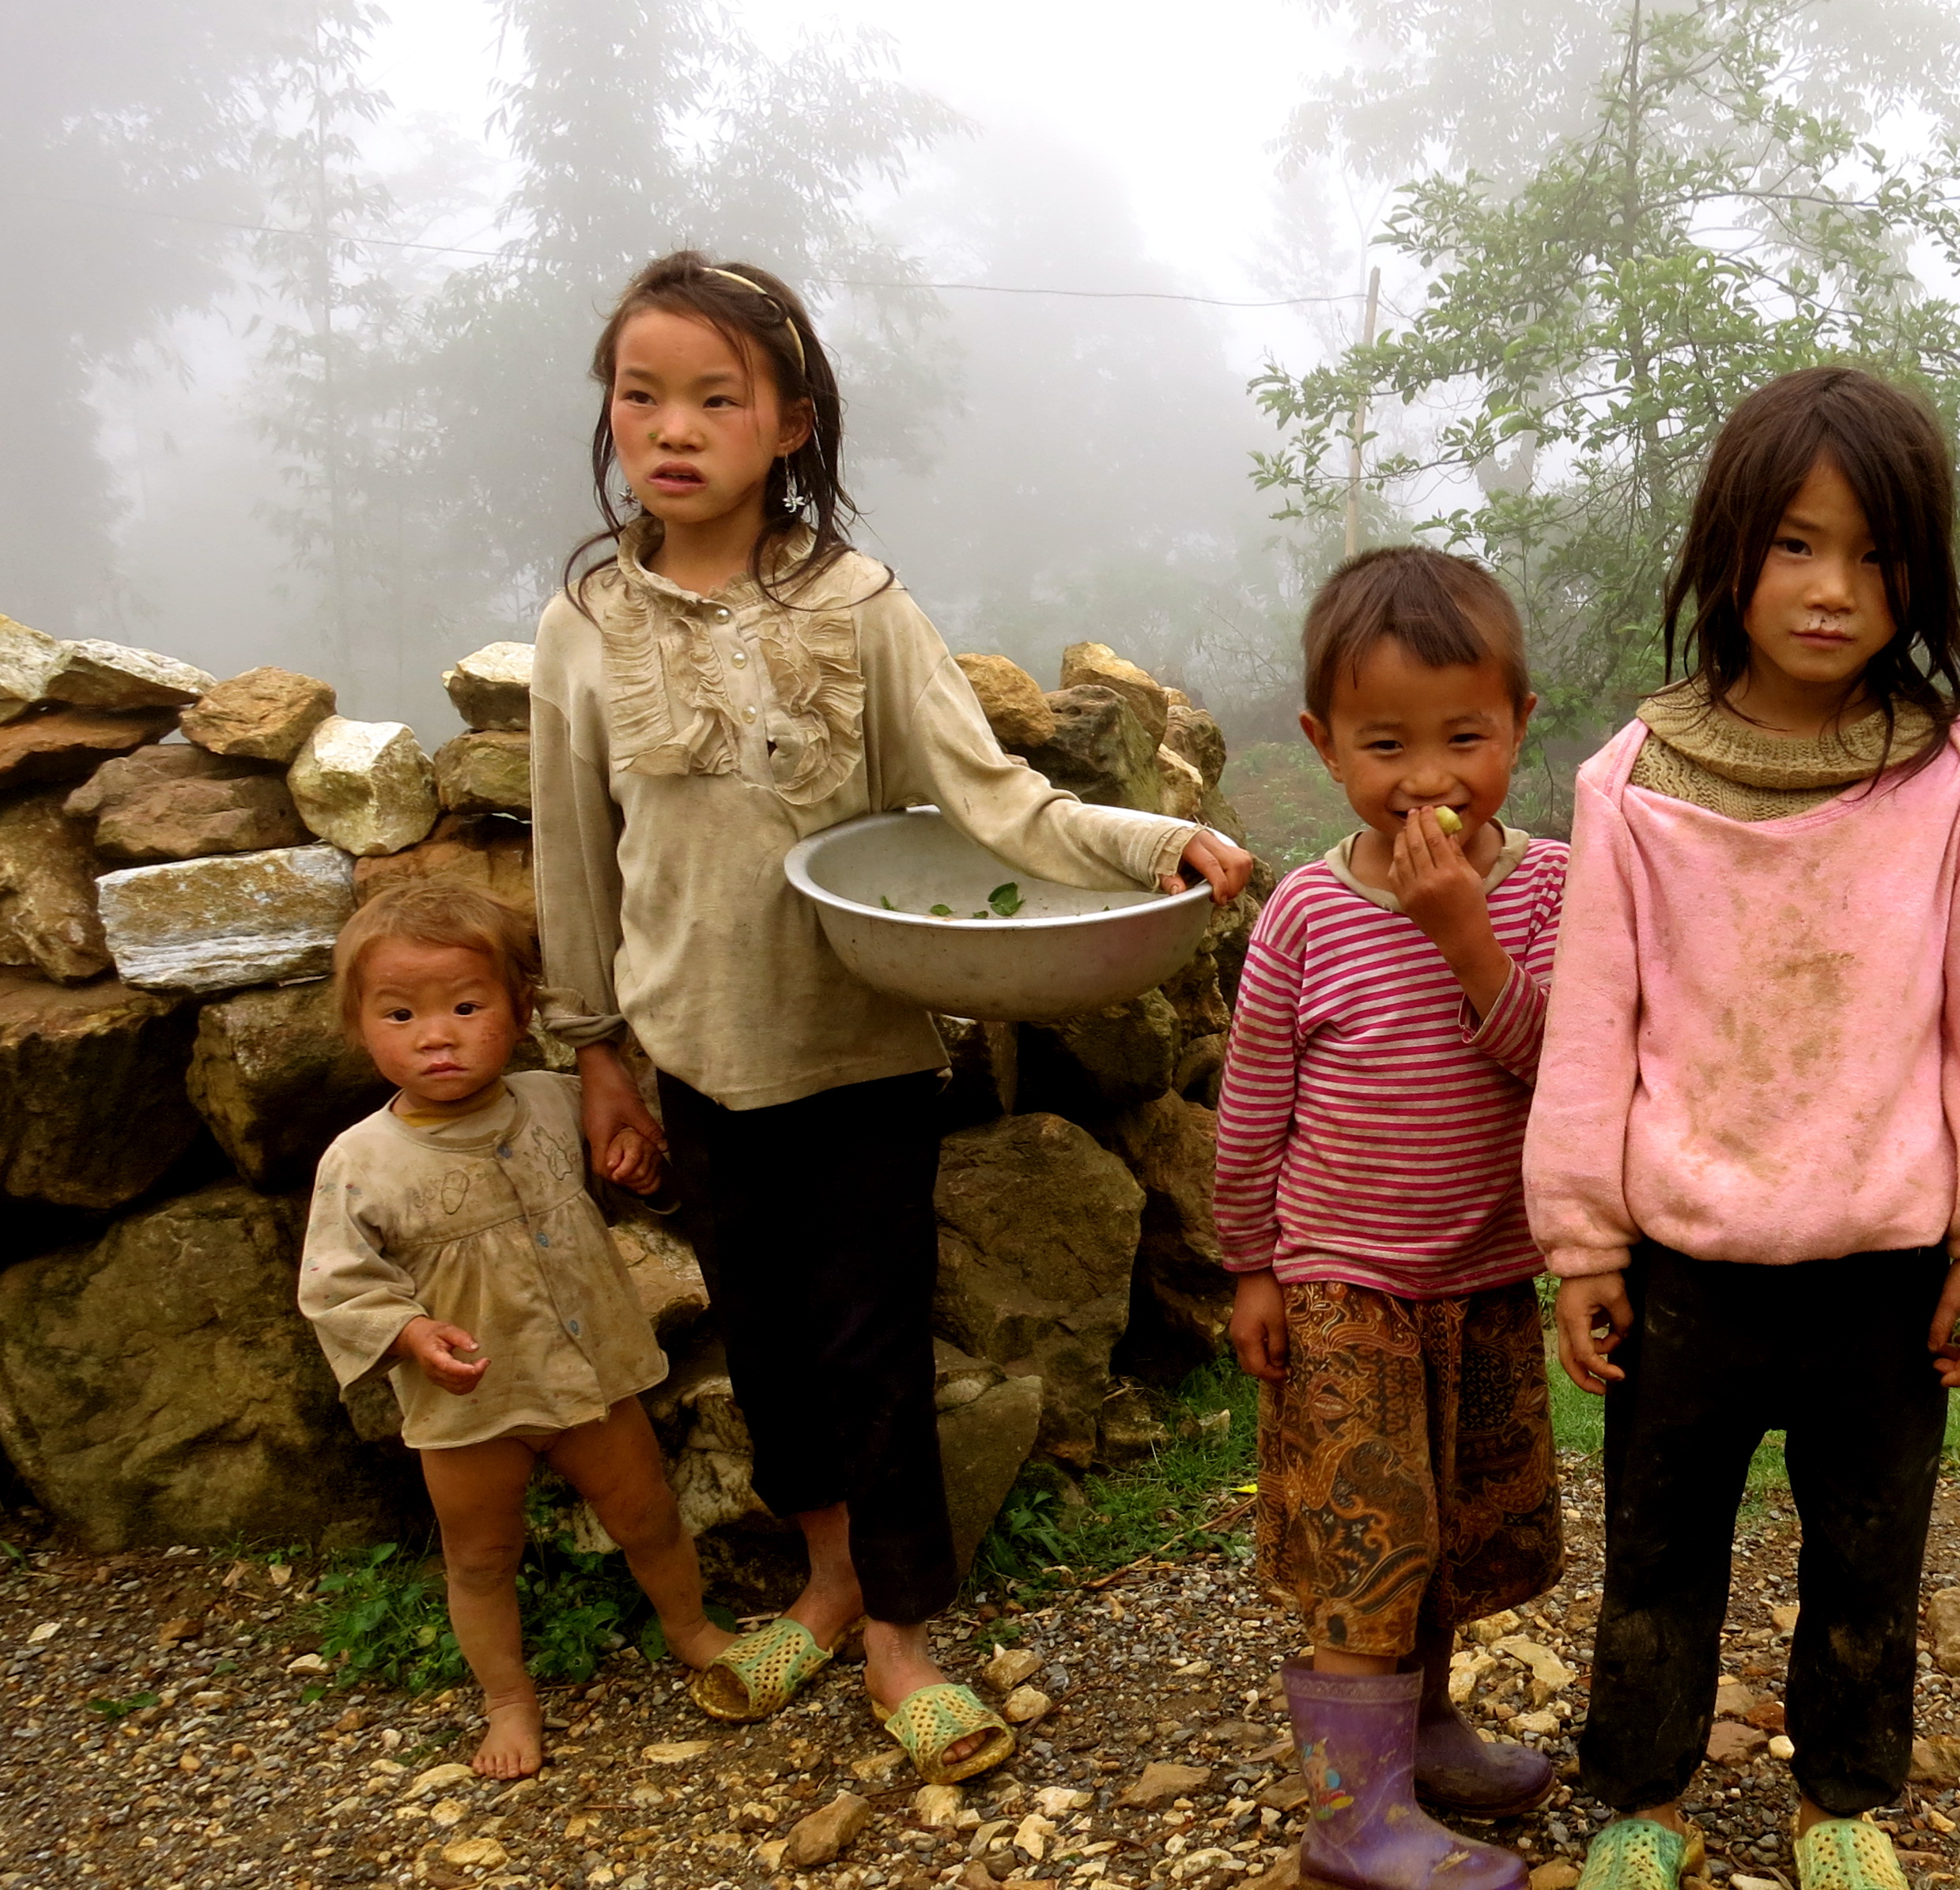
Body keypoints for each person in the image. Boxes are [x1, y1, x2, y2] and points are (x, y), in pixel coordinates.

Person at [528, 251, 1252, 1783]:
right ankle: (825, 1580)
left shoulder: (858, 610)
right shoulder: (586, 624)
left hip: (857, 1058)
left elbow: (996, 800)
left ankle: (902, 1635)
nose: (673, 428)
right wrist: (595, 1054)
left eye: (716, 398)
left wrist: (1155, 844)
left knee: (873, 1352)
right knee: (771, 1355)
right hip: (695, 1060)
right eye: (642, 395)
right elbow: (573, 859)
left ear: (791, 422)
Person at [1524, 367, 1960, 1890]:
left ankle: (1844, 1805)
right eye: (1794, 545)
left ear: (1922, 574)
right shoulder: (1631, 782)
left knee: (1868, 1557)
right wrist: (1582, 1240)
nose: (1834, 589)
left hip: (1885, 1270)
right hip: (1682, 1269)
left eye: (1875, 554)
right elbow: (1595, 1031)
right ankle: (1641, 1798)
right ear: (1727, 553)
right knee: (1656, 1554)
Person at [1214, 546, 1572, 1890]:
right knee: (1368, 1538)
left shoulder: (1550, 890)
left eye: (1463, 738)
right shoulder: (1306, 913)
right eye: (1384, 745)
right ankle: (1351, 1819)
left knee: (1453, 1528)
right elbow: (1251, 1106)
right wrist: (1252, 1265)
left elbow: (1564, 1069)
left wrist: (1466, 934)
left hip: (1480, 1278)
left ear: (1520, 724)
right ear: (1323, 744)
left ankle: (1415, 1738)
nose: (1428, 777)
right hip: (1341, 1285)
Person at [299, 881, 729, 1779]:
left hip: (589, 1377)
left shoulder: (555, 1101)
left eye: (466, 1006)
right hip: (471, 1401)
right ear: (358, 1027)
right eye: (401, 1014)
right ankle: (507, 1697)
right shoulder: (360, 1161)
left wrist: (639, 1170)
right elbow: (338, 1283)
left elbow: (632, 1183)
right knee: (481, 1556)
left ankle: (689, 1627)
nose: (437, 1035)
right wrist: (410, 1335)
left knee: (649, 1513)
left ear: (521, 1009)